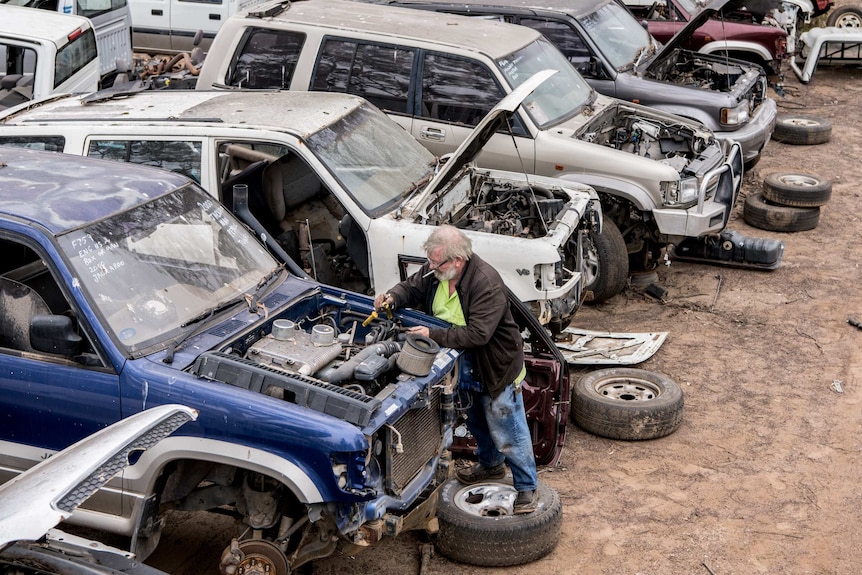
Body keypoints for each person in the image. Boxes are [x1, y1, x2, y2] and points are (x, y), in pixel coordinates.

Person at [373, 225, 538, 514]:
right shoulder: (437, 273)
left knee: (507, 428)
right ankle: (490, 466)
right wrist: (392, 297)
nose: (431, 268)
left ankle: (527, 488)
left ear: (458, 261)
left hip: (495, 366)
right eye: (430, 261)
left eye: (436, 263)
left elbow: (478, 335)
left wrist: (432, 335)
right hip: (461, 363)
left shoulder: (485, 282)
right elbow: (411, 287)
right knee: (476, 420)